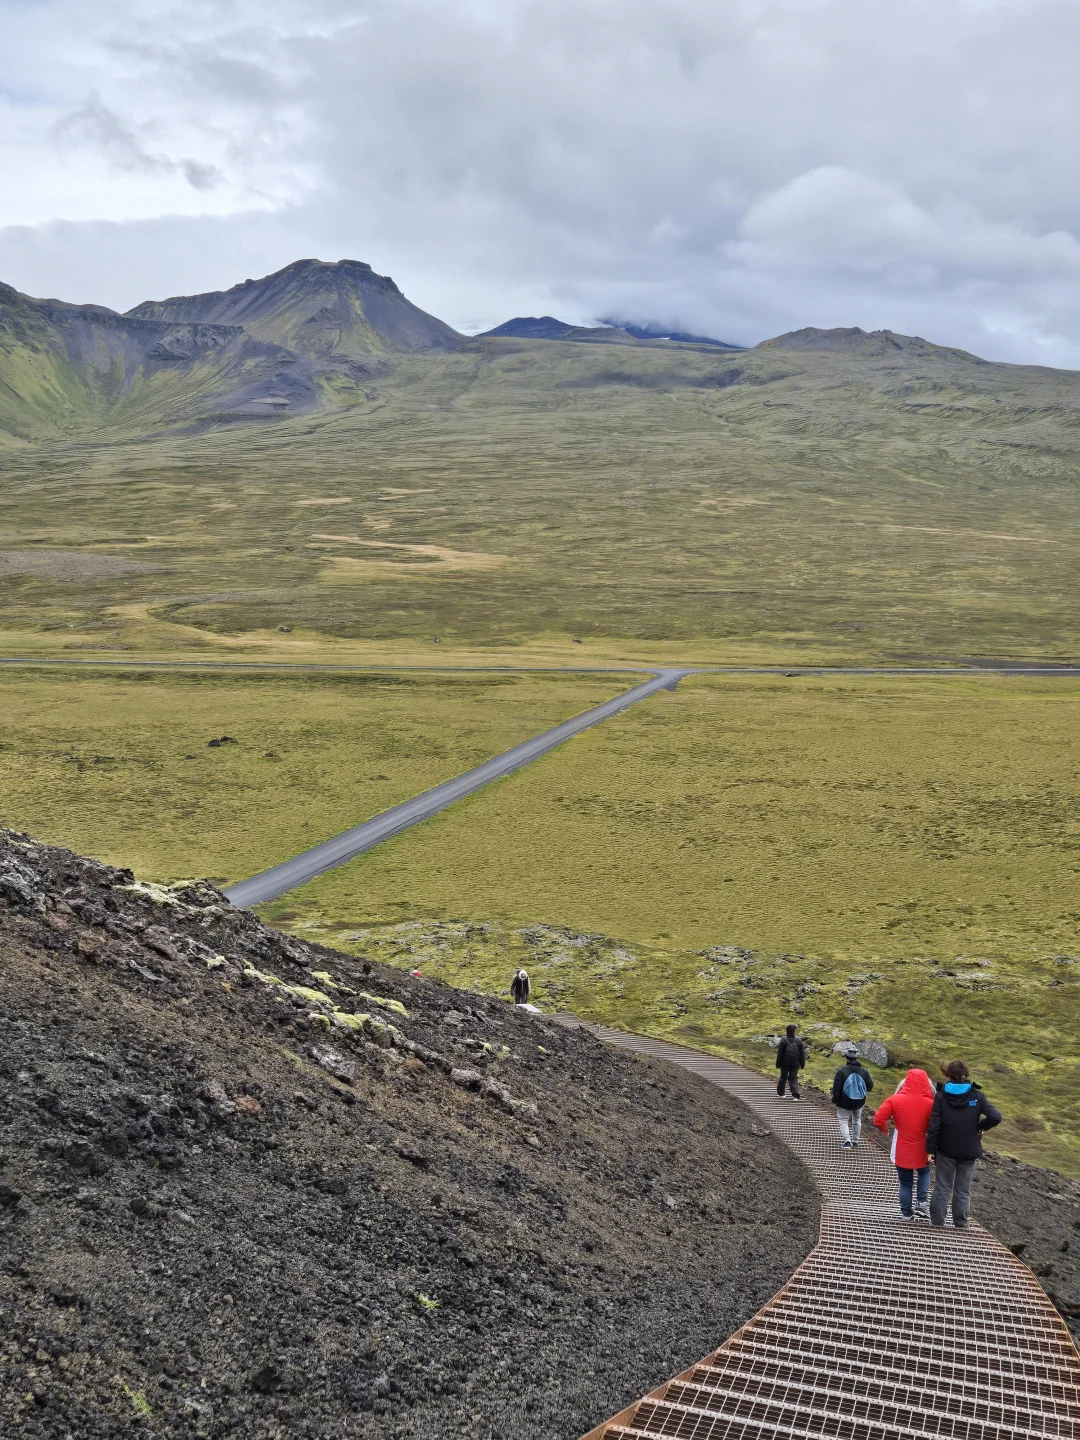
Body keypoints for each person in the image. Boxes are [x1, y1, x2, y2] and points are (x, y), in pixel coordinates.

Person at [926, 1060, 1001, 1229]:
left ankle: (936, 1222)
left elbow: (934, 1125)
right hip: (969, 1149)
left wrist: (930, 1149)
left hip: (946, 1148)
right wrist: (981, 1127)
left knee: (943, 1186)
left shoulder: (941, 1095)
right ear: (966, 1074)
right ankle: (961, 1224)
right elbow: (996, 1116)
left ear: (948, 1075)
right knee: (963, 1189)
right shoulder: (977, 1096)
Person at [872, 1067, 936, 1220]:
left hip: (901, 1147)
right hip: (923, 1146)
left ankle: (906, 1213)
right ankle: (922, 1202)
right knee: (924, 1172)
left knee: (905, 1182)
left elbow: (878, 1119)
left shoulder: (895, 1099)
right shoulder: (932, 1103)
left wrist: (884, 1130)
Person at [832, 1045, 873, 1149]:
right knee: (857, 1120)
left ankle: (847, 1141)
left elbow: (836, 1088)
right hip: (859, 1101)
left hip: (844, 1101)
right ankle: (855, 1141)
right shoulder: (864, 1071)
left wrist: (835, 1100)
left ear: (846, 1057)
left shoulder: (841, 1071)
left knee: (843, 1120)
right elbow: (869, 1086)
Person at [775, 1024, 806, 1100]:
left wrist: (778, 1064)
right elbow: (802, 1054)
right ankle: (795, 1095)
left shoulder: (783, 1040)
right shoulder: (798, 1040)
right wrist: (802, 1064)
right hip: (795, 1064)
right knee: (793, 1078)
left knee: (783, 1077)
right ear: (794, 1031)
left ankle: (781, 1093)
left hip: (784, 1064)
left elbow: (780, 1054)